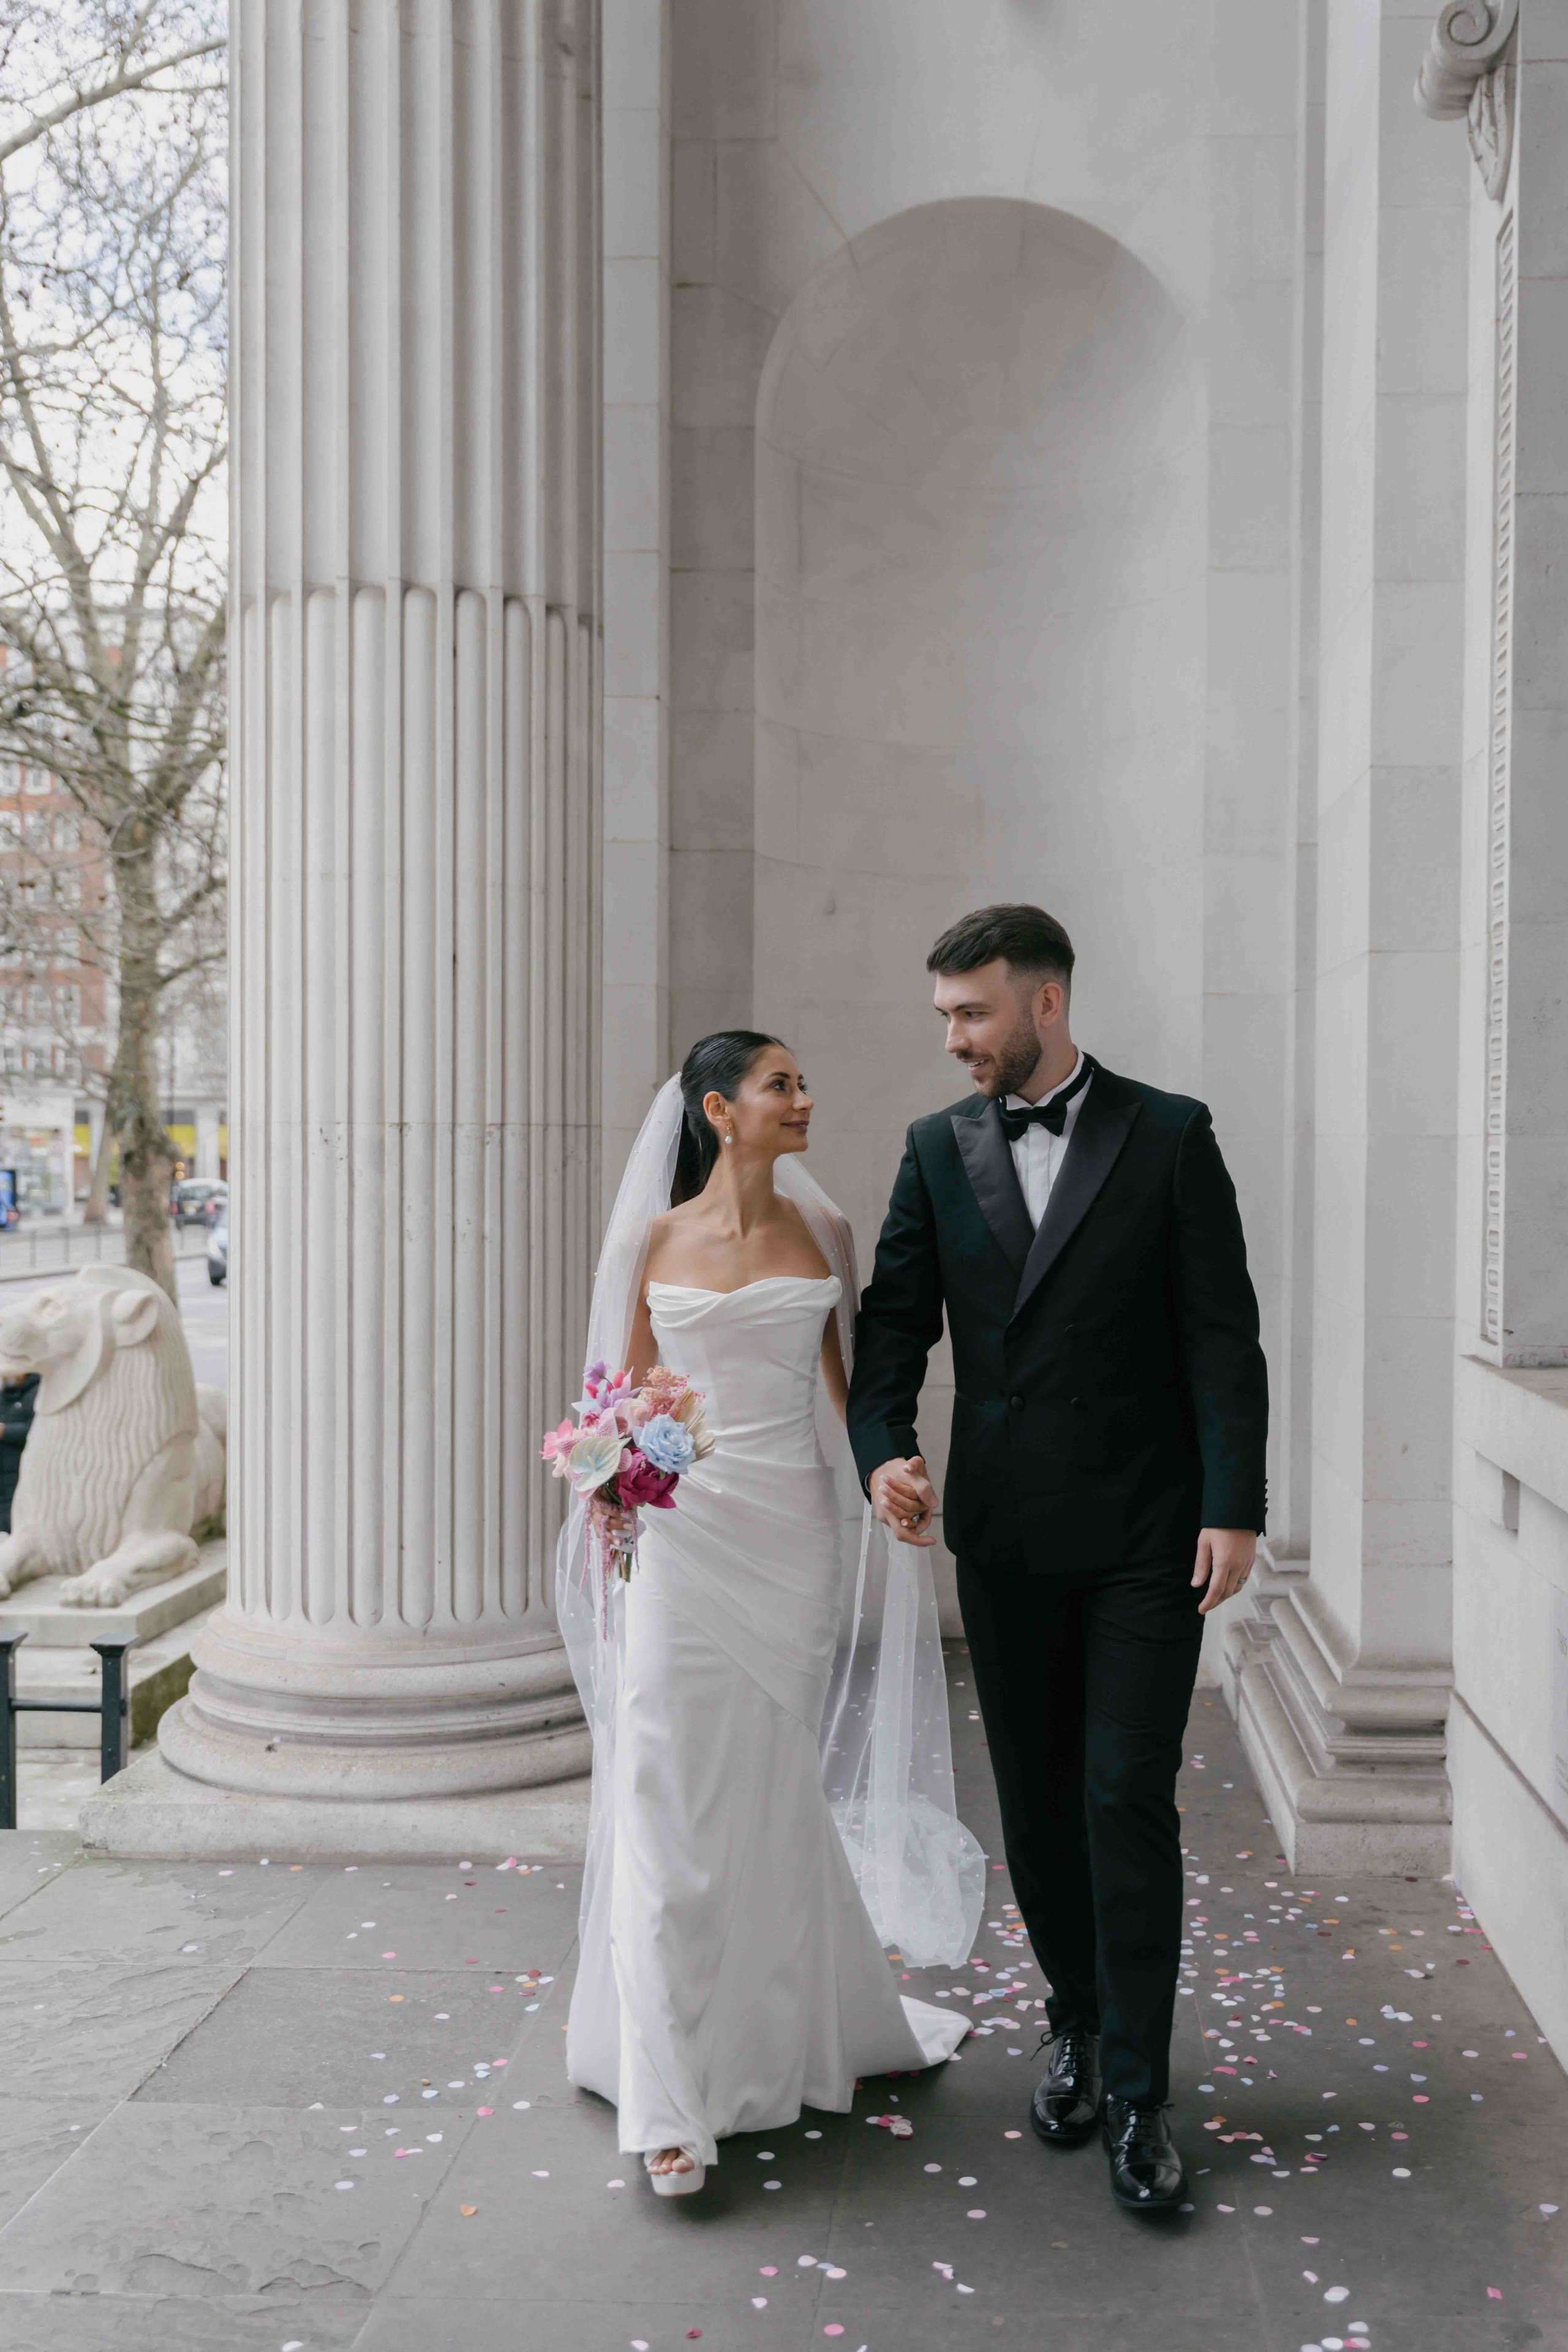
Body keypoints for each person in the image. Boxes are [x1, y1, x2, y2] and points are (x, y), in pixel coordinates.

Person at [846, 905, 1268, 2215]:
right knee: (1035, 1802)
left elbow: (1221, 1336)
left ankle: (1139, 2093)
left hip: (1148, 1534)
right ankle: (1075, 2023)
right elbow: (893, 1326)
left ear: (1045, 1002)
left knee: (1124, 1795)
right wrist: (883, 1450)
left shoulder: (1170, 1134)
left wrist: (1234, 1505)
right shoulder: (935, 1148)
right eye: (944, 1017)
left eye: (971, 1013)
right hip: (1009, 1532)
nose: (953, 1040)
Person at [560, 1033, 984, 2196]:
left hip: (792, 1536)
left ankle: (773, 2030)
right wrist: (611, 1486)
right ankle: (667, 2099)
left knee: (767, 1784)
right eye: (780, 1085)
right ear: (720, 1110)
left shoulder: (825, 1232)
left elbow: (852, 1395)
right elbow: (621, 1399)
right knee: (662, 1787)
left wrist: (885, 1473)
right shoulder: (651, 1241)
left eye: (802, 1082)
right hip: (684, 1533)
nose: (804, 1099)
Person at [0, 1368, 39, 1532]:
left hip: (23, 1477)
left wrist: (6, 1431)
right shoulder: (4, 1396)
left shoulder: (38, 1393)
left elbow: (38, 1431)